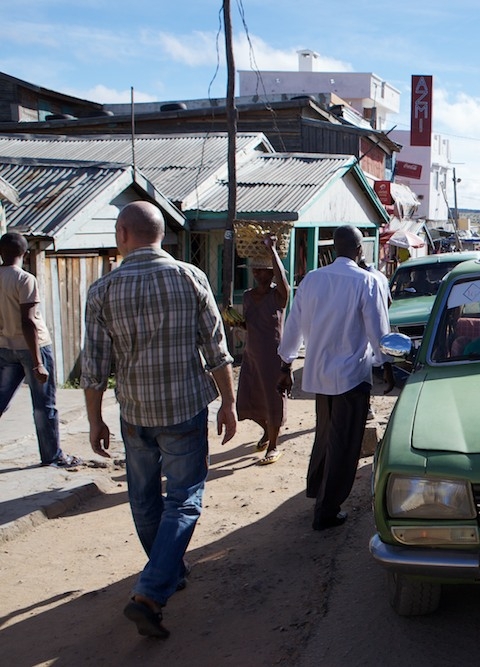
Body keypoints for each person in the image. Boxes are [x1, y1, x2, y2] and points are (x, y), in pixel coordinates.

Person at [81, 201, 237, 639]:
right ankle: (153, 588)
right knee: (184, 499)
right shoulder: (190, 277)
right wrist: (228, 402)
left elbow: (94, 367)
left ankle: (166, 571)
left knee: (145, 500)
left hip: (134, 414)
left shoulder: (103, 290)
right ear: (161, 234)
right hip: (184, 410)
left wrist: (95, 421)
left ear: (122, 234)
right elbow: (216, 349)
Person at [277, 225, 394, 531]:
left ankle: (319, 491)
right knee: (345, 443)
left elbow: (294, 326)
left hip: (319, 375)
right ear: (359, 250)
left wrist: (285, 362)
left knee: (326, 436)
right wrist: (386, 363)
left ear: (334, 249)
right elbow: (378, 330)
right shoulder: (367, 281)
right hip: (351, 376)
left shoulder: (312, 280)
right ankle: (327, 509)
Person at [0, 232, 81, 468]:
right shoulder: (25, 279)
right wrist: (37, 362)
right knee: (43, 405)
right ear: (24, 253)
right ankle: (52, 456)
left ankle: (53, 454)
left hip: (4, 347)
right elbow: (28, 321)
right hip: (33, 347)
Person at [236, 236, 290, 465]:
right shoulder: (248, 296)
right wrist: (237, 323)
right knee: (249, 399)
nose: (258, 274)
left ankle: (275, 444)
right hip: (252, 355)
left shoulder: (278, 296)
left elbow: (283, 280)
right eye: (255, 271)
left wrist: (272, 251)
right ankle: (267, 431)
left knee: (273, 399)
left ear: (271, 274)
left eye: (263, 271)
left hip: (273, 357)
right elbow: (250, 324)